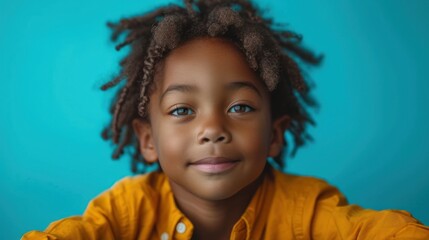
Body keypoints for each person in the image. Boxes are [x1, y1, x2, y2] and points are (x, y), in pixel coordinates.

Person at [22, 0, 429, 239]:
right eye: (182, 111)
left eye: (240, 107)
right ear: (148, 140)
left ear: (274, 134)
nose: (213, 129)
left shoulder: (309, 209)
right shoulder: (126, 210)